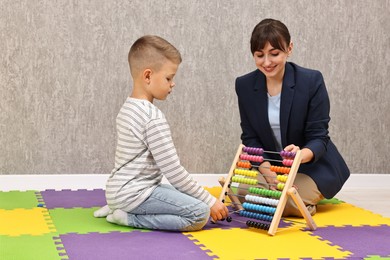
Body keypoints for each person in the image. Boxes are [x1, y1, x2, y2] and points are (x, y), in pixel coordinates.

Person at [94, 35, 228, 231]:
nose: (172, 83)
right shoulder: (152, 117)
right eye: (169, 78)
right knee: (200, 213)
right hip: (135, 195)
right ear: (147, 76)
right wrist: (210, 201)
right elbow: (174, 172)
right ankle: (129, 218)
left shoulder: (127, 107)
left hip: (118, 190)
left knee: (188, 196)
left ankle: (119, 206)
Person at [234, 19, 350, 217]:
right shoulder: (244, 85)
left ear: (289, 48)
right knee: (240, 191)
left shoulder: (311, 81)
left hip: (312, 166)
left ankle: (299, 203)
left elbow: (319, 137)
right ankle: (293, 202)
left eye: (275, 54)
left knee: (285, 200)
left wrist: (299, 156)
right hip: (275, 169)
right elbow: (250, 137)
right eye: (259, 55)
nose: (267, 62)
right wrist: (269, 174)